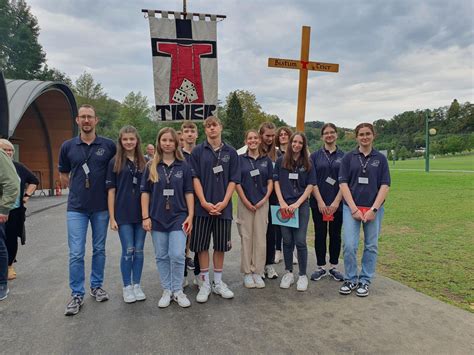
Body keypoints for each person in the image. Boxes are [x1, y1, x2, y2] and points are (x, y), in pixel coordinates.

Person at [58, 104, 116, 316]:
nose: (86, 120)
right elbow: (64, 175)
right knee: (76, 252)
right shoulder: (67, 146)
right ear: (77, 121)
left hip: (101, 207)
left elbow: (118, 170)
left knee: (99, 249)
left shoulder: (109, 146)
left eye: (90, 117)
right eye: (82, 117)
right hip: (76, 208)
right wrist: (77, 189)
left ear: (96, 120)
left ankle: (96, 286)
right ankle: (76, 293)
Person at [141, 127, 194, 308]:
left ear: (176, 143)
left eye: (171, 140)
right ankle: (167, 290)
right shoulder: (151, 166)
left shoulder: (184, 166)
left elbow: (189, 192)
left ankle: (178, 290)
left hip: (179, 216)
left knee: (178, 254)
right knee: (162, 256)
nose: (168, 143)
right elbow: (145, 193)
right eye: (164, 140)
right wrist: (145, 217)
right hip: (157, 218)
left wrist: (191, 216)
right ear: (159, 142)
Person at [190, 116, 239, 303]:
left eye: (215, 125)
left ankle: (218, 282)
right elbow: (194, 178)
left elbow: (233, 180)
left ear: (221, 127)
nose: (212, 129)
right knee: (202, 246)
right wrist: (203, 201)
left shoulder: (231, 152)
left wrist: (225, 202)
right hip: (203, 208)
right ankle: (204, 283)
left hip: (223, 208)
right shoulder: (197, 151)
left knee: (220, 246)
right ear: (205, 129)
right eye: (208, 126)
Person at [338, 123, 390, 297]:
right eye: (361, 134)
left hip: (373, 209)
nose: (365, 137)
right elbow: (343, 183)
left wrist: (374, 209)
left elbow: (385, 185)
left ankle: (365, 280)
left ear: (373, 135)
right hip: (351, 208)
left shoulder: (380, 159)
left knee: (371, 245)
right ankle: (351, 278)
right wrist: (353, 208)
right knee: (349, 245)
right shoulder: (348, 157)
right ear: (356, 137)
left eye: (368, 134)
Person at [106, 126, 147, 303]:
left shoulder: (145, 162)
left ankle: (137, 284)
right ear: (120, 141)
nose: (129, 142)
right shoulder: (114, 162)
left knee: (139, 250)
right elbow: (111, 191)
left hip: (141, 214)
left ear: (137, 140)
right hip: (123, 214)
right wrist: (112, 217)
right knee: (128, 250)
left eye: (132, 139)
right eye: (125, 139)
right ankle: (126, 286)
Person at [274, 132, 316, 292]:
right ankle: (289, 273)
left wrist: (298, 204)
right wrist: (282, 202)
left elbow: (311, 185)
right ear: (290, 143)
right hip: (284, 206)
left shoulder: (308, 163)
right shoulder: (280, 161)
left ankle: (303, 275)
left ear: (303, 145)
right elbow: (276, 182)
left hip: (301, 206)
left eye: (300, 143)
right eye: (294, 142)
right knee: (286, 241)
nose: (297, 145)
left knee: (300, 241)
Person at [235, 130, 273, 289]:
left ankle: (257, 271)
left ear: (259, 141)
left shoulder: (266, 160)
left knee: (260, 238)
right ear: (246, 141)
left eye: (255, 138)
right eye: (250, 138)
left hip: (262, 204)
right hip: (245, 204)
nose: (253, 140)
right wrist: (245, 201)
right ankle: (247, 273)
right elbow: (236, 183)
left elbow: (270, 182)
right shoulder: (240, 160)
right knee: (246, 237)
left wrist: (264, 200)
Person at [309, 124, 345, 282]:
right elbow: (312, 180)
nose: (329, 135)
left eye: (332, 132)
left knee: (335, 235)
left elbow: (345, 181)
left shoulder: (345, 156)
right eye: (326, 133)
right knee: (320, 234)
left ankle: (334, 267)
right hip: (319, 203)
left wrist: (336, 202)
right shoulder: (315, 156)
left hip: (337, 203)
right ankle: (321, 267)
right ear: (322, 136)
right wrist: (321, 202)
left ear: (336, 135)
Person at [0, 140, 39, 280]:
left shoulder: (18, 167)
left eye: (11, 150)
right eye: (5, 150)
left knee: (11, 238)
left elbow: (34, 180)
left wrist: (26, 196)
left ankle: (9, 265)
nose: (8, 153)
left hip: (14, 210)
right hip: (0, 209)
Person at [258, 122, 280, 279]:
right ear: (261, 135)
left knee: (271, 232)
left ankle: (269, 264)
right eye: (267, 136)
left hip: (274, 198)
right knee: (258, 233)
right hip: (257, 197)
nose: (270, 139)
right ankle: (257, 265)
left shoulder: (278, 154)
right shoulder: (253, 151)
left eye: (273, 136)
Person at [0, 147, 20, 301]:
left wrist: (3, 208)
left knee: (3, 243)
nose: (8, 151)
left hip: (7, 210)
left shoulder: (2, 158)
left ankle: (1, 284)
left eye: (10, 149)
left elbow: (13, 183)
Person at [180, 121, 198, 283]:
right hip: (182, 201)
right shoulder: (178, 155)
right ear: (182, 135)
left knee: (198, 238)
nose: (190, 134)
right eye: (186, 131)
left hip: (200, 201)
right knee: (182, 237)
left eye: (192, 131)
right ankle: (183, 274)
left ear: (197, 134)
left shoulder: (202, 153)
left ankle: (199, 275)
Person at [274, 126, 293, 263]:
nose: (283, 136)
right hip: (277, 193)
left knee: (292, 224)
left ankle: (292, 252)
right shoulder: (274, 153)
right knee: (278, 224)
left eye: (286, 134)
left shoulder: (296, 152)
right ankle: (278, 251)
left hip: (292, 193)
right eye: (280, 134)